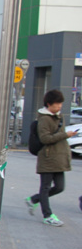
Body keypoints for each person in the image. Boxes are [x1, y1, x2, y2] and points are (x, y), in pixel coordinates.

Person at [25, 89, 76, 226]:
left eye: (60, 104)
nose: (59, 107)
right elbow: (45, 138)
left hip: (59, 158)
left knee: (60, 187)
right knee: (45, 188)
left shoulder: (59, 116)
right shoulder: (44, 119)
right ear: (49, 104)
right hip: (47, 157)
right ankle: (47, 215)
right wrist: (66, 135)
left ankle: (34, 199)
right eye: (56, 104)